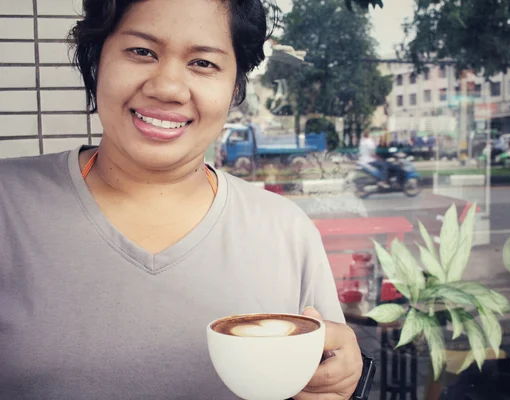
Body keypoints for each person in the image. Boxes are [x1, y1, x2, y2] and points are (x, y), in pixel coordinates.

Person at [0, 0, 363, 399]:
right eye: (142, 51)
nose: (167, 88)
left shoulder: (285, 230)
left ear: (236, 86)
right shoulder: (8, 204)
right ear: (96, 58)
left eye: (203, 63)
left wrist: (335, 382)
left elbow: (325, 368)